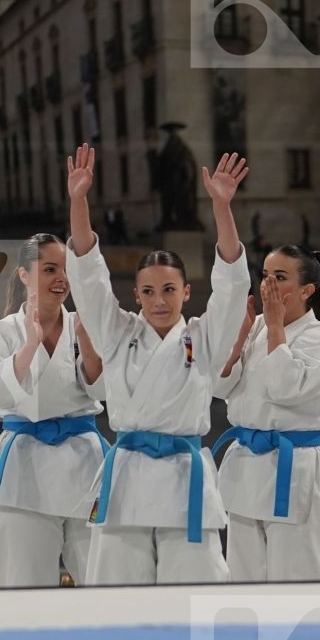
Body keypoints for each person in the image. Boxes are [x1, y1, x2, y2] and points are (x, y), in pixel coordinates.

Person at [66, 143, 248, 585]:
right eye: (148, 292)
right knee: (119, 598)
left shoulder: (204, 337)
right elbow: (88, 277)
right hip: (127, 478)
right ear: (136, 296)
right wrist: (79, 201)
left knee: (195, 596)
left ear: (186, 292)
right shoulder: (117, 333)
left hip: (185, 479)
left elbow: (230, 285)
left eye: (169, 290)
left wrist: (221, 208)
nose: (159, 301)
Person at [0, 234, 107, 587]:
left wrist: (88, 344)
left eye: (66, 270)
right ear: (24, 274)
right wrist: (29, 346)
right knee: (23, 588)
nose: (61, 278)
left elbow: (107, 389)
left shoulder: (86, 325)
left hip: (86, 466)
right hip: (22, 474)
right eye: (50, 269)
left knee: (105, 583)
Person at [212, 246, 320, 581]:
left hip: (296, 471)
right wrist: (238, 341)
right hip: (247, 468)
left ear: (307, 290)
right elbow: (219, 388)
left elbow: (285, 388)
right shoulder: (256, 327)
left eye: (280, 277)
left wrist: (276, 327)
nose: (268, 285)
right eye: (265, 275)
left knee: (296, 581)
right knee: (243, 580)